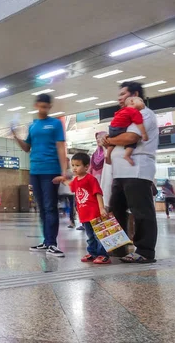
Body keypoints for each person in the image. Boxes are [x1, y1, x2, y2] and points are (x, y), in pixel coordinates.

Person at [103, 81, 158, 263]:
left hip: (137, 170)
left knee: (141, 212)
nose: (119, 98)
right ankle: (117, 248)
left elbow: (131, 137)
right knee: (115, 210)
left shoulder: (144, 114)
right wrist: (108, 139)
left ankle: (144, 251)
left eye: (123, 94)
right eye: (119, 95)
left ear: (135, 95)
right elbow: (118, 136)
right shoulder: (123, 115)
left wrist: (110, 139)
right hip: (120, 172)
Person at [12, 93, 67, 257]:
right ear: (36, 105)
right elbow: (26, 148)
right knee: (42, 208)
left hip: (51, 171)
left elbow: (60, 147)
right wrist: (16, 137)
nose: (43, 109)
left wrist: (64, 171)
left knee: (50, 207)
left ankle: (52, 243)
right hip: (35, 171)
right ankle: (46, 241)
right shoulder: (33, 125)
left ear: (49, 107)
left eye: (46, 106)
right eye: (40, 106)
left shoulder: (55, 124)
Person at [55, 153, 110, 264]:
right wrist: (62, 180)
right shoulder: (76, 180)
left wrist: (101, 208)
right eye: (73, 165)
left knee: (98, 235)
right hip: (84, 214)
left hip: (94, 212)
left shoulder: (91, 179)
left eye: (77, 165)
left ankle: (103, 255)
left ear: (86, 167)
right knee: (89, 236)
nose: (74, 168)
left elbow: (98, 193)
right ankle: (93, 253)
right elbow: (72, 186)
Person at [106, 96, 149, 166]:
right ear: (132, 102)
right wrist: (144, 134)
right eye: (141, 101)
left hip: (112, 127)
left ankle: (108, 154)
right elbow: (139, 124)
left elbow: (116, 115)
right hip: (119, 128)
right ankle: (127, 155)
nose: (143, 103)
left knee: (113, 141)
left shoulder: (123, 110)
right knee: (132, 142)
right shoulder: (134, 111)